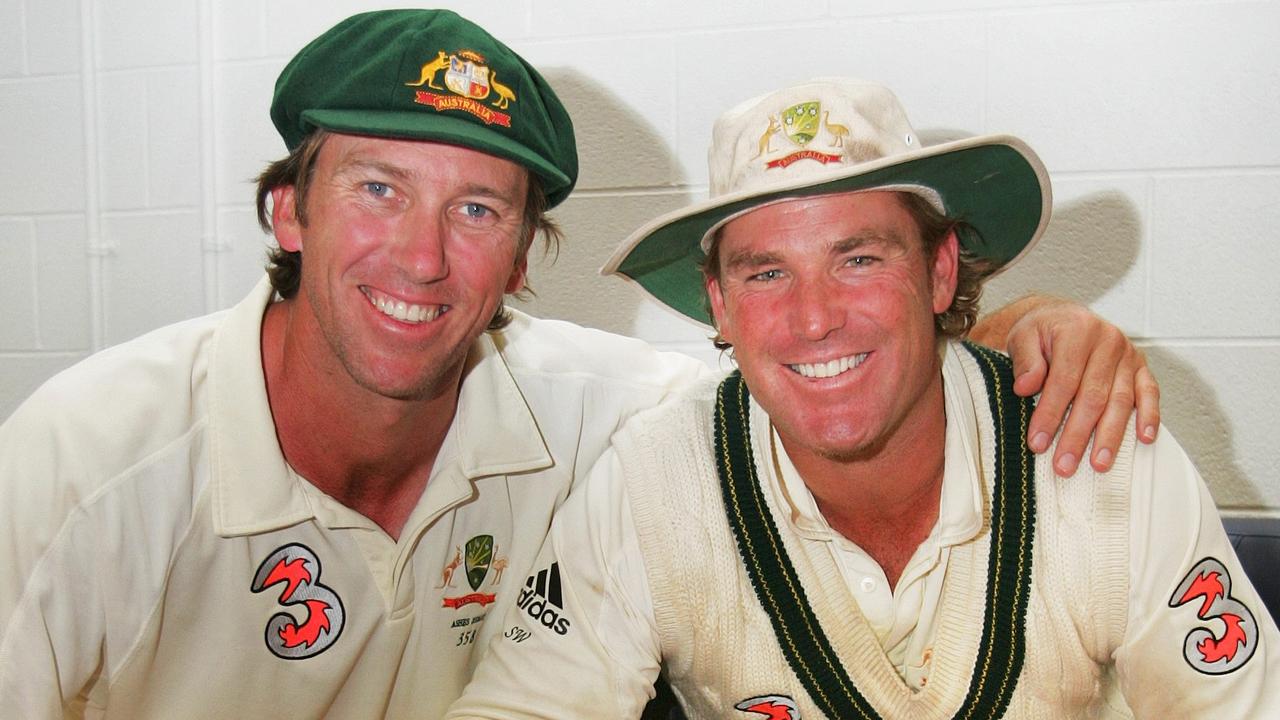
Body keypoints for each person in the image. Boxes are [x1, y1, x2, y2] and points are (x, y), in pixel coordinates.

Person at [0, 10, 1150, 718]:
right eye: (375, 188)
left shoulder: (598, 411)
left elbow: (819, 374)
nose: (420, 255)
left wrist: (1012, 337)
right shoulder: (84, 459)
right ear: (287, 212)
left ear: (520, 260)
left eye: (479, 210)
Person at [447, 79, 1279, 719]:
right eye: (767, 273)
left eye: (860, 259)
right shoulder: (652, 483)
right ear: (720, 306)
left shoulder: (1095, 449)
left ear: (941, 270)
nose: (814, 320)